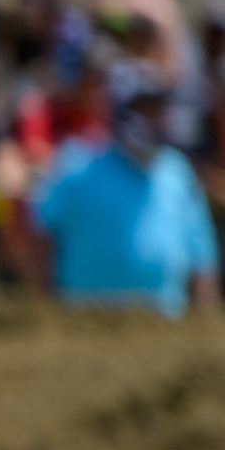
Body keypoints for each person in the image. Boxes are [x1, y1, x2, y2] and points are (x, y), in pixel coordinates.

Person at [30, 61, 216, 318]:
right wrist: (42, 306)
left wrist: (204, 322)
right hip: (83, 326)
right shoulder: (76, 165)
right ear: (123, 109)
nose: (157, 119)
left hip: (162, 328)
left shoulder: (178, 172)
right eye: (147, 109)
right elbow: (40, 235)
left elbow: (202, 259)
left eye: (160, 109)